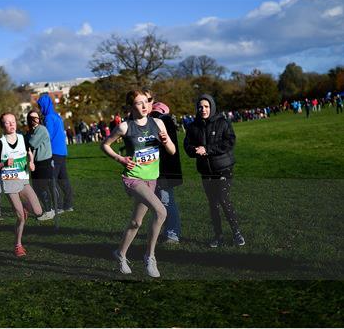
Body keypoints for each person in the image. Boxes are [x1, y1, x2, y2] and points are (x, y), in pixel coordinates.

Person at [101, 89, 175, 278]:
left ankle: (120, 253)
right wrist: (120, 159)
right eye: (139, 103)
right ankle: (150, 257)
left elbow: (172, 151)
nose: (144, 106)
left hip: (152, 178)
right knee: (161, 211)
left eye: (146, 102)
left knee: (136, 222)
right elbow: (105, 145)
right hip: (133, 178)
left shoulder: (158, 123)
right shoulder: (125, 127)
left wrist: (166, 142)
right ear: (130, 106)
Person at [184, 94, 245, 248]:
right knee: (213, 204)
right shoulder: (192, 126)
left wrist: (208, 149)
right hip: (205, 171)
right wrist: (195, 150)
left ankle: (237, 233)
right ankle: (218, 236)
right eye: (200, 106)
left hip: (223, 168)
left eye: (206, 106)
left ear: (211, 107)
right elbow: (187, 147)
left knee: (223, 199)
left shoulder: (222, 122)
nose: (203, 109)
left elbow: (229, 142)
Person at [0, 113, 43, 257]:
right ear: (2, 126)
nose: (11, 124)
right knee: (21, 217)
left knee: (38, 212)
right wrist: (4, 164)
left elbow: (29, 152)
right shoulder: (0, 143)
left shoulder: (22, 138)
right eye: (7, 123)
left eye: (13, 122)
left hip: (23, 180)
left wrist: (31, 162)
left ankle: (24, 208)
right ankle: (18, 245)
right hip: (9, 182)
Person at [150, 102, 184, 244]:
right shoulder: (165, 120)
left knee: (166, 201)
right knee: (163, 201)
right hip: (165, 168)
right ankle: (168, 231)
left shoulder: (161, 120)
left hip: (163, 169)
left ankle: (172, 233)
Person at [37, 93, 74, 213]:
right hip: (62, 152)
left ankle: (58, 207)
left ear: (44, 105)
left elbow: (48, 135)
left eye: (40, 106)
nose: (40, 109)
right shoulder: (57, 116)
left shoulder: (48, 118)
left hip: (53, 152)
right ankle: (68, 205)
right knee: (63, 179)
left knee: (51, 180)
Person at [26, 110, 55, 221]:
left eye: (35, 117)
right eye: (31, 118)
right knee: (37, 188)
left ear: (39, 118)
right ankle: (47, 209)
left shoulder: (41, 129)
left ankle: (49, 211)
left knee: (42, 187)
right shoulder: (32, 131)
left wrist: (26, 138)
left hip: (44, 162)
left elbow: (31, 143)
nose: (33, 120)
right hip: (36, 163)